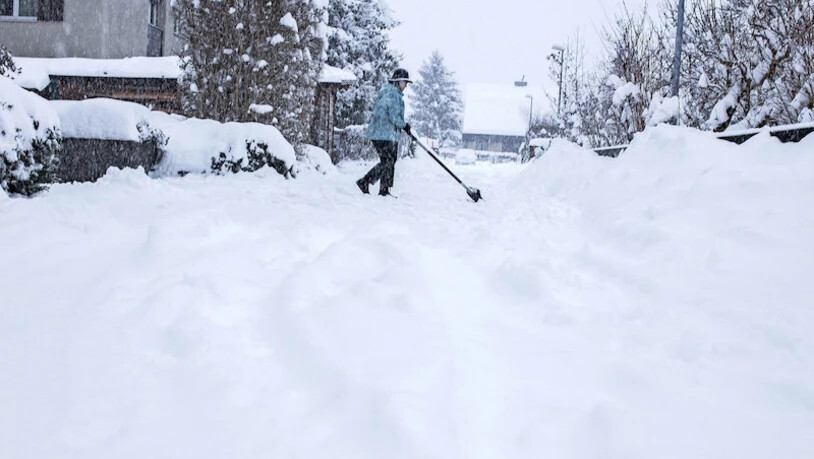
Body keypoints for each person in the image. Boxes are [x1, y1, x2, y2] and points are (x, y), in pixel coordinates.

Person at [356, 68, 412, 197]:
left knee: (388, 161)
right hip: (385, 134)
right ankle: (366, 182)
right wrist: (405, 126)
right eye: (405, 82)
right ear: (398, 82)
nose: (406, 86)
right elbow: (394, 116)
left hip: (381, 133)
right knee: (388, 162)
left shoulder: (387, 92)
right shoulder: (393, 95)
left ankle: (383, 190)